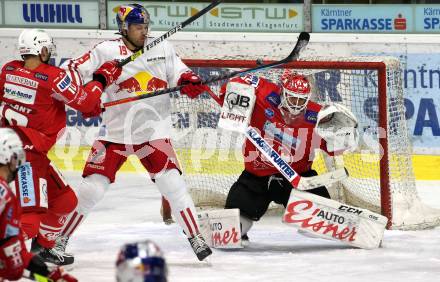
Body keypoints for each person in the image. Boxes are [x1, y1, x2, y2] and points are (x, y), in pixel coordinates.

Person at [57, 4, 212, 261]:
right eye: (138, 27)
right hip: (114, 133)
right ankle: (59, 241)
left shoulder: (161, 47)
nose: (144, 32)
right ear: (124, 28)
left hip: (153, 133)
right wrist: (89, 91)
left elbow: (181, 72)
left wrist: (188, 81)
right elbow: (70, 70)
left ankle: (195, 237)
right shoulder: (105, 50)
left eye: (146, 27)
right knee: (91, 190)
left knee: (172, 183)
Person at [0, 29, 121, 266]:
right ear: (42, 50)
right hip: (26, 154)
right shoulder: (53, 76)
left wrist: (87, 105)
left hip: (16, 147)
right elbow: (85, 102)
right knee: (31, 217)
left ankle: (41, 250)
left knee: (66, 201)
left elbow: (58, 100)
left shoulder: (9, 69)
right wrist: (102, 79)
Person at [212, 71, 356, 240]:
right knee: (235, 226)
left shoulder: (317, 116)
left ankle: (345, 227)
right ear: (282, 92)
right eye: (292, 98)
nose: (296, 104)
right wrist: (235, 91)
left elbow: (333, 148)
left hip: (299, 180)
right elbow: (230, 88)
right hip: (257, 178)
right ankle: (238, 225)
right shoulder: (265, 94)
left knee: (319, 224)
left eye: (301, 100)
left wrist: (345, 137)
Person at [0, 128, 77, 281]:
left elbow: (14, 253)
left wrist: (48, 275)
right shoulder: (5, 197)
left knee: (64, 201)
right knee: (30, 222)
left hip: (39, 154)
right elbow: (12, 265)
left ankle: (44, 247)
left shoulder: (6, 196)